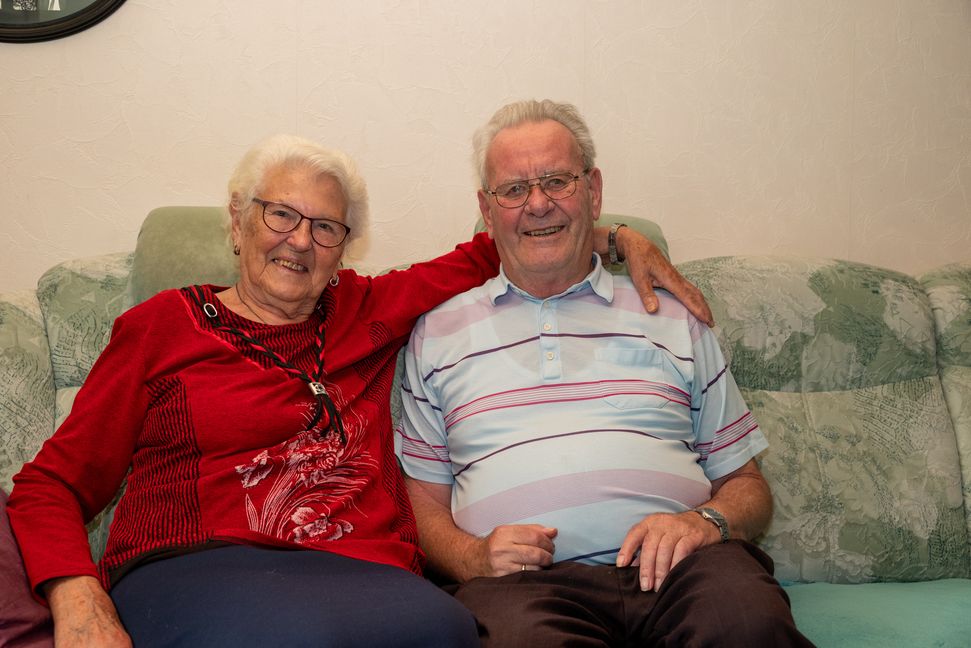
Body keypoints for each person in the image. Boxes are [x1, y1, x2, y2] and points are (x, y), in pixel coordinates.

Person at [6, 133, 709, 647]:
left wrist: (615, 235)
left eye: (325, 227)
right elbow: (50, 486)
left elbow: (514, 236)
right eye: (278, 214)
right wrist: (77, 598)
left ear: (344, 248)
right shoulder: (162, 327)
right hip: (198, 563)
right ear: (237, 220)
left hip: (364, 571)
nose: (298, 241)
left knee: (449, 630)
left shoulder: (366, 310)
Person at [397, 100, 814, 646]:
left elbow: (748, 487)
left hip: (686, 570)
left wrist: (702, 523)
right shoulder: (436, 333)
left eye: (557, 181)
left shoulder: (671, 314)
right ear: (487, 206)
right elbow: (422, 506)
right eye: (515, 189)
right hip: (522, 590)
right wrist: (474, 557)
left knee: (746, 625)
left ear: (593, 191)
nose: (538, 204)